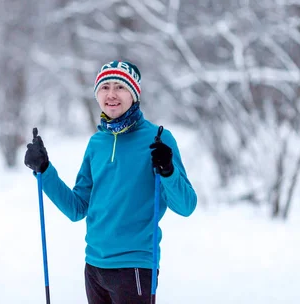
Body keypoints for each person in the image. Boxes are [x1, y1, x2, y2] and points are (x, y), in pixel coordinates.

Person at [24, 60, 197, 304]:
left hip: (135, 265)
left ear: (134, 94)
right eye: (105, 87)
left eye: (120, 87)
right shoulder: (97, 143)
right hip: (94, 267)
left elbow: (186, 205)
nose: (112, 94)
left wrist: (168, 171)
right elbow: (77, 208)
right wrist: (44, 170)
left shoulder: (158, 139)